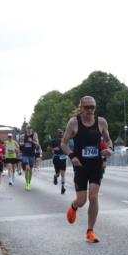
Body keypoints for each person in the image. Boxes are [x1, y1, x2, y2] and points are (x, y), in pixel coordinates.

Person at [62, 96, 114, 243]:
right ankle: (74, 206)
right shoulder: (74, 123)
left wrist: (109, 149)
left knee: (93, 196)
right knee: (82, 200)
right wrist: (72, 156)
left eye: (92, 107)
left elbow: (108, 140)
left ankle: (90, 231)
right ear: (81, 108)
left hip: (96, 165)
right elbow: (63, 144)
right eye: (87, 107)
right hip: (80, 166)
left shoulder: (101, 122)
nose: (90, 110)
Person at [19, 125, 40, 191]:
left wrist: (31, 141)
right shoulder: (23, 136)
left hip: (32, 154)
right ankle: (27, 183)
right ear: (26, 129)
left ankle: (29, 183)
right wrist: (22, 143)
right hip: (25, 154)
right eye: (28, 128)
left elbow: (37, 144)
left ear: (32, 129)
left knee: (30, 171)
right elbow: (20, 143)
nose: (29, 129)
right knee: (27, 168)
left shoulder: (34, 135)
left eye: (30, 128)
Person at [49, 130, 68, 195]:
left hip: (63, 158)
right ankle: (55, 177)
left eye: (61, 133)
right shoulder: (53, 141)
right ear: (57, 134)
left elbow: (67, 147)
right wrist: (54, 149)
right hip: (56, 158)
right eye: (59, 133)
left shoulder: (65, 140)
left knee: (63, 174)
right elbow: (49, 148)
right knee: (58, 174)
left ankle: (63, 187)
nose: (61, 134)